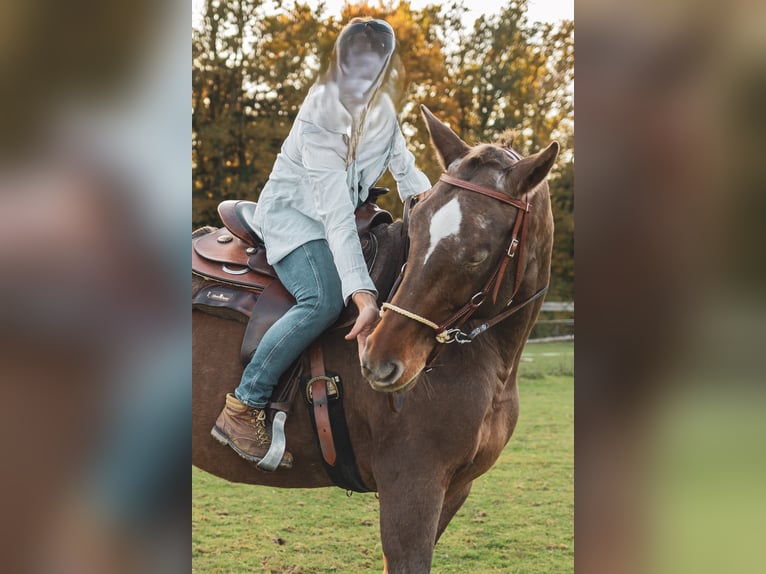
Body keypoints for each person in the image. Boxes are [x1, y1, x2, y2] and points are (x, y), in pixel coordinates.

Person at [211, 18, 432, 468]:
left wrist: (439, 213)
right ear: (342, 62)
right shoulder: (320, 115)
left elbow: (408, 176)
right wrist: (363, 294)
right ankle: (243, 405)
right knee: (323, 299)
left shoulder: (385, 113)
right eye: (356, 64)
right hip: (295, 221)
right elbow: (332, 215)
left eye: (375, 65)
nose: (364, 75)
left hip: (339, 217)